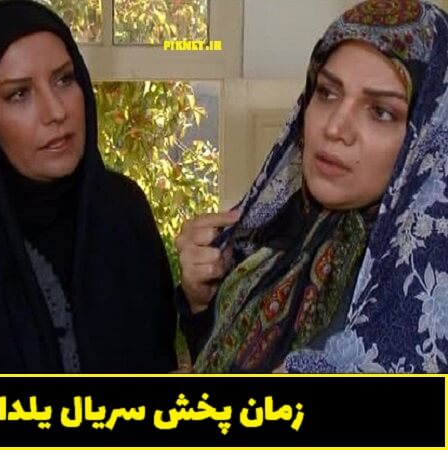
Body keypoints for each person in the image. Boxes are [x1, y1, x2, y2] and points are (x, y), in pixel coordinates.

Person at [0, 0, 177, 373]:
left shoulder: (122, 210)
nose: (56, 112)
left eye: (64, 79)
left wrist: (202, 307)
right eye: (19, 94)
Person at [176, 0, 448, 373]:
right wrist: (202, 303)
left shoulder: (421, 289)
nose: (334, 128)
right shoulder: (281, 236)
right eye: (327, 93)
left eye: (381, 112)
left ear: (428, 139)